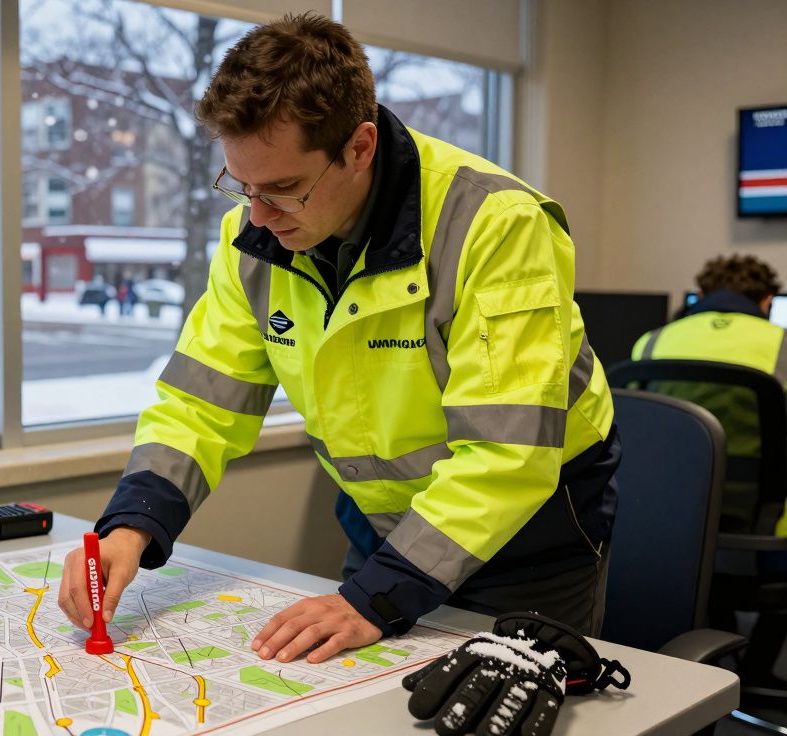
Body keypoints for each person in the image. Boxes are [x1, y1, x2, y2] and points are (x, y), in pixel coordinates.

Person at [58, 13, 619, 665]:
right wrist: (130, 527)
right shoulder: (254, 242)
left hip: (528, 536)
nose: (258, 217)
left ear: (360, 147)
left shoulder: (497, 225)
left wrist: (373, 599)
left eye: (285, 189)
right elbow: (198, 406)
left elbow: (507, 454)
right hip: (382, 526)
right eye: (242, 186)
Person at [633, 253, 785, 531]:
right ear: (768, 301)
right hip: (757, 519)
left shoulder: (650, 342)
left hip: (663, 509)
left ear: (701, 294)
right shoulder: (782, 347)